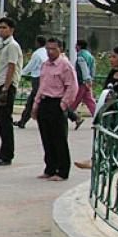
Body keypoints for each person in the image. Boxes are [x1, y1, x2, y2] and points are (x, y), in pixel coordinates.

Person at [32, 38, 78, 181]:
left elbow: (72, 86)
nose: (50, 52)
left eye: (53, 49)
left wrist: (63, 104)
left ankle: (62, 170)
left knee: (59, 139)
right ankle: (50, 168)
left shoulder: (65, 65)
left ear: (61, 49)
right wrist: (36, 104)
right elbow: (42, 85)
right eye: (48, 49)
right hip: (45, 102)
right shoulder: (45, 65)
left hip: (56, 103)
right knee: (47, 138)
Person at [0, 17, 22, 166]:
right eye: (0, 28)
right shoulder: (6, 46)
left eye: (4, 27)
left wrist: (5, 89)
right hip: (2, 85)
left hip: (6, 87)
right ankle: (3, 152)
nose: (1, 30)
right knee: (2, 122)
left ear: (11, 30)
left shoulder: (12, 46)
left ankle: (6, 154)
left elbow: (11, 67)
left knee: (5, 122)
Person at [15, 35, 47, 129]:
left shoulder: (37, 54)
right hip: (44, 78)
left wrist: (20, 73)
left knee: (32, 100)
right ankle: (22, 121)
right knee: (34, 100)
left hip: (37, 79)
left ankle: (23, 121)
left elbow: (30, 66)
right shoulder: (45, 52)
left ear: (37, 43)